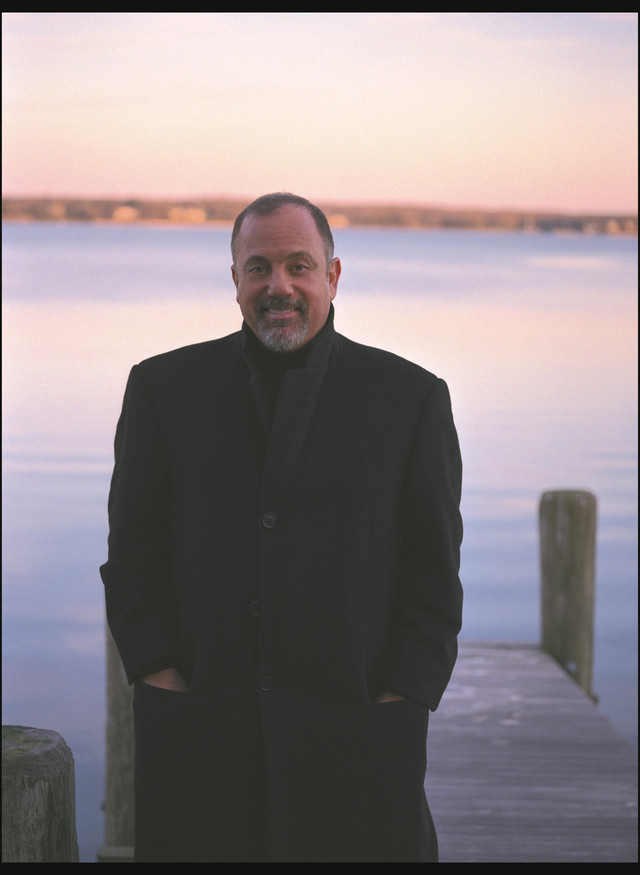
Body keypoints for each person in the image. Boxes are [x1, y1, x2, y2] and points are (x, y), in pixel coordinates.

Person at [100, 192, 463, 862]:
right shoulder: (162, 388)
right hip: (202, 733)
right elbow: (132, 560)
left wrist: (401, 698)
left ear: (333, 275)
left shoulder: (410, 398)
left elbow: (433, 579)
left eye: (299, 266)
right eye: (259, 267)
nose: (280, 286)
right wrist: (157, 672)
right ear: (235, 279)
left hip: (356, 738)